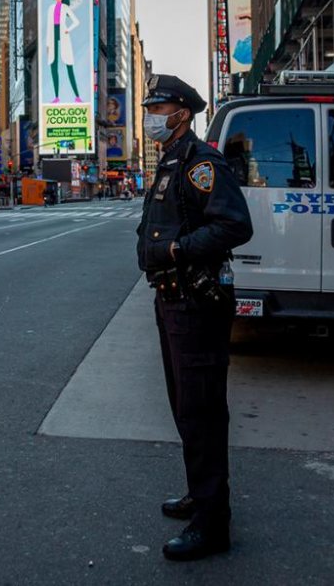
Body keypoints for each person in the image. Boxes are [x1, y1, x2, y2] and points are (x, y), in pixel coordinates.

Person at [136, 73, 253, 562]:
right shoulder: (171, 161)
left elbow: (235, 224)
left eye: (157, 110)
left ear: (181, 113)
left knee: (202, 412)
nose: (150, 118)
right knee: (186, 407)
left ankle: (212, 524)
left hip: (196, 302)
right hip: (172, 301)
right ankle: (198, 494)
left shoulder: (202, 162)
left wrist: (180, 249)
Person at [45, 0, 83, 104]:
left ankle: (77, 96)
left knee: (69, 67)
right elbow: (48, 26)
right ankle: (56, 96)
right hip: (53, 37)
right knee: (53, 67)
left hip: (63, 36)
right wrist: (47, 44)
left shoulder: (65, 7)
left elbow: (76, 21)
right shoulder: (50, 8)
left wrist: (68, 29)